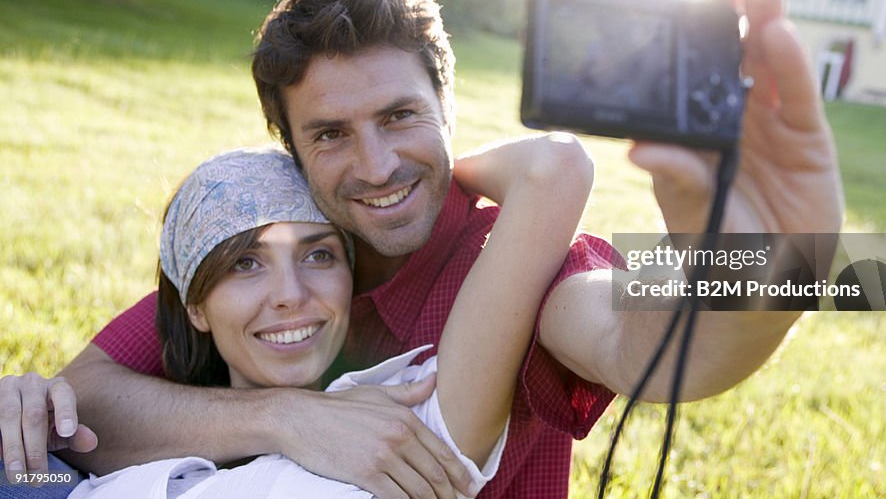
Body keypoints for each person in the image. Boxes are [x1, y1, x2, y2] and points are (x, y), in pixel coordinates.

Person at [1, 0, 843, 499]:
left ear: (447, 106)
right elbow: (92, 397)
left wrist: (774, 272)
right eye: (330, 134)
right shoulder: (274, 248)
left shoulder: (508, 253)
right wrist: (282, 415)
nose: (374, 166)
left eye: (400, 116)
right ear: (290, 147)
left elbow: (641, 340)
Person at [53, 133, 589, 498]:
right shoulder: (139, 465)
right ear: (196, 306)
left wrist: (431, 178)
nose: (290, 294)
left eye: (318, 255)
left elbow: (554, 167)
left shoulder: (406, 421)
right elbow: (50, 452)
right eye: (245, 263)